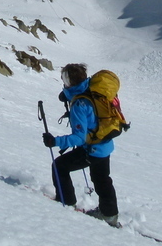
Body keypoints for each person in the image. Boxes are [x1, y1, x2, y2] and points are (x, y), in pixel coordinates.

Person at [42, 63, 119, 227]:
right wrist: (67, 95)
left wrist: (55, 141)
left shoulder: (79, 104)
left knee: (59, 166)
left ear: (68, 81)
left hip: (91, 149)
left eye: (64, 79)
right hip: (105, 146)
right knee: (102, 180)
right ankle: (110, 215)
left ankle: (66, 202)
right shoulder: (94, 92)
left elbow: (79, 138)